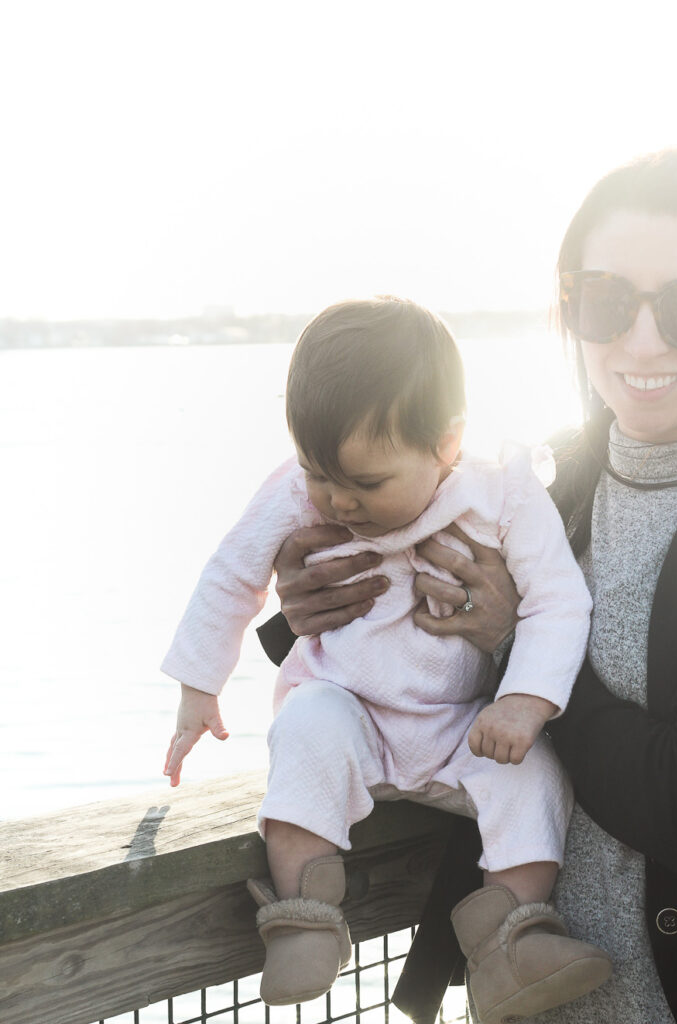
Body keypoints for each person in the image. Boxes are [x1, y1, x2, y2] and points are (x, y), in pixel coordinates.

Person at [259, 149, 677, 1024]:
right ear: (567, 307)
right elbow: (401, 592)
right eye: (606, 300)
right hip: (540, 1002)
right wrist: (299, 607)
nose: (643, 342)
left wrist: (509, 647)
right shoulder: (545, 479)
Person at [161, 295, 611, 1020]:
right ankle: (306, 914)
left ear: (447, 443)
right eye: (319, 475)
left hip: (460, 727)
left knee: (533, 776)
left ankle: (508, 939)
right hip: (350, 710)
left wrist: (524, 700)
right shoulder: (296, 488)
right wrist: (197, 687)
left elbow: (557, 600)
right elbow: (232, 573)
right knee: (306, 730)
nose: (336, 501)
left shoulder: (504, 489)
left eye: (365, 483)